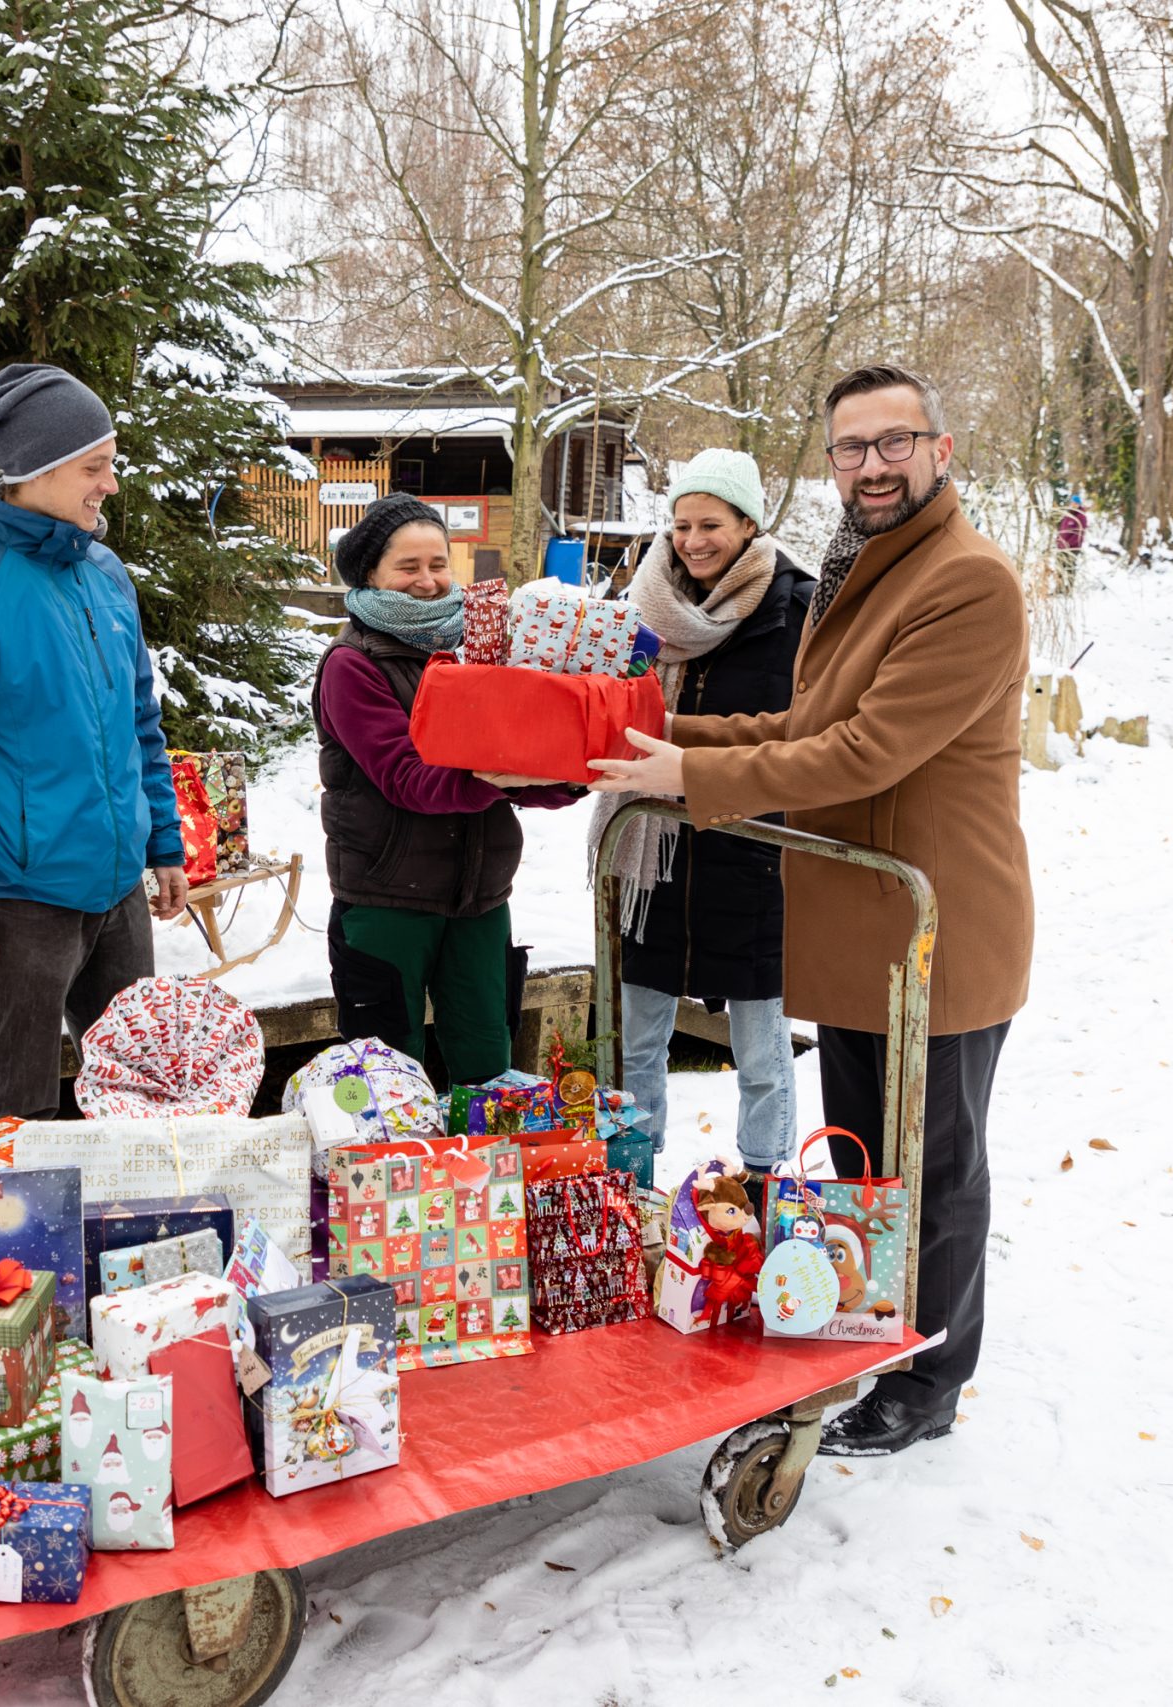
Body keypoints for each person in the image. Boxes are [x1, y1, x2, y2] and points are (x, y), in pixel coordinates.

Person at [589, 362, 1031, 1459]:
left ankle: (927, 1382)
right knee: (870, 1166)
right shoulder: (871, 569)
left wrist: (687, 784)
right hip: (862, 936)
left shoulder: (966, 581)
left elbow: (862, 752)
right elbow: (797, 721)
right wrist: (672, 743)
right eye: (850, 448)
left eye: (894, 443)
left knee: (931, 1169)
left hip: (937, 938)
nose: (871, 466)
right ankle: (877, 1333)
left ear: (939, 449)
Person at [0, 363, 189, 1126]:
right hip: (19, 901)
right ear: (35, 470)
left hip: (117, 887)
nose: (110, 484)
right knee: (16, 1099)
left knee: (138, 1081)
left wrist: (165, 842)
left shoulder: (105, 573)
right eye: (95, 467)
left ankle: (126, 1233)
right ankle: (3, 1242)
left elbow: (139, 724)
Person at [590, 448, 814, 1173]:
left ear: (749, 523)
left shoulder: (798, 609)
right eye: (682, 523)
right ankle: (634, 1186)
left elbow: (803, 734)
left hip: (752, 849)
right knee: (638, 1037)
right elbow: (609, 704)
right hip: (653, 848)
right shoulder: (643, 603)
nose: (693, 540)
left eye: (711, 522)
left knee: (760, 1047)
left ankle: (763, 1185)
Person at [315, 493, 579, 1084]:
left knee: (489, 1066)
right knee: (385, 1079)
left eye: (438, 564)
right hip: (387, 900)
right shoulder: (351, 664)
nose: (428, 581)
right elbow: (406, 778)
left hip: (479, 899)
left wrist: (566, 775)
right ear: (370, 575)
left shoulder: (473, 651)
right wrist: (495, 776)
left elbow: (510, 762)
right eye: (407, 567)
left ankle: (485, 1175)